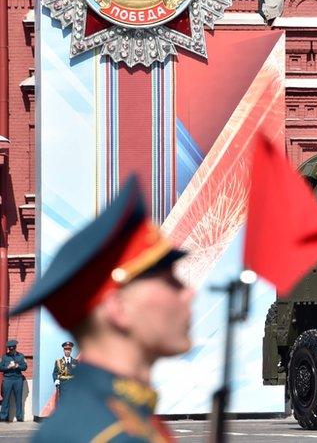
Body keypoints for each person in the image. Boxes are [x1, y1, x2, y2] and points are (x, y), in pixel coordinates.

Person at [10, 176, 193, 442]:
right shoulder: (108, 432)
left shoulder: (122, 418)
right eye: (170, 282)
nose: (189, 293)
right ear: (118, 308)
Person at [0, 340, 28, 422]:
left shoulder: (21, 356)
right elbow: (0, 368)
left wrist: (17, 366)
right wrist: (7, 367)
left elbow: (25, 367)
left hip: (18, 379)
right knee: (6, 399)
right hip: (8, 379)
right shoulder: (4, 357)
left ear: (15, 348)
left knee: (18, 399)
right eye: (10, 349)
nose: (11, 350)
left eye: (12, 349)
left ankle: (19, 417)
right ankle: (3, 417)